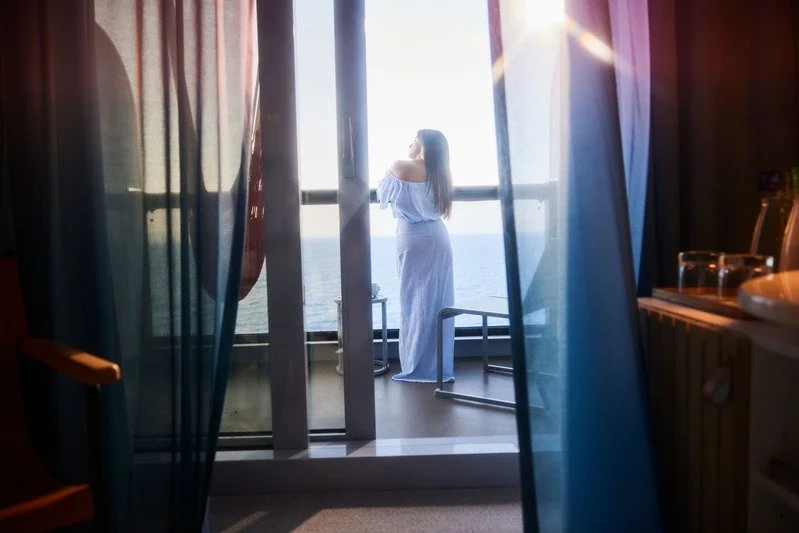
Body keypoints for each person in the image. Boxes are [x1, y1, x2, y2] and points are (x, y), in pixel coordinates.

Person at [376, 129, 455, 382]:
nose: (409, 143)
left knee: (414, 302)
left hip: (412, 238)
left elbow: (382, 198)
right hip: (439, 238)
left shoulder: (401, 166)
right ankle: (439, 366)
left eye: (413, 139)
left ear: (421, 144)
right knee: (439, 303)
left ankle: (416, 365)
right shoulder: (441, 174)